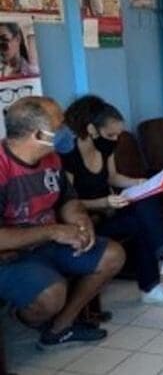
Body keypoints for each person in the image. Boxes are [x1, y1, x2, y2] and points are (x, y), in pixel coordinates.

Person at [0, 96, 125, 349]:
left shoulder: (52, 158)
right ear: (38, 134)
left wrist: (81, 222)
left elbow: (67, 200)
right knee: (51, 295)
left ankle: (60, 329)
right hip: (11, 255)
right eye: (59, 127)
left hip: (49, 242)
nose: (67, 132)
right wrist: (54, 231)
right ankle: (22, 315)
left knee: (112, 254)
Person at [61, 95, 163, 305]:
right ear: (91, 129)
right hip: (87, 222)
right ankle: (156, 280)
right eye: (111, 134)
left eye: (118, 134)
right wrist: (104, 202)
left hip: (109, 210)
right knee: (143, 222)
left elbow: (112, 177)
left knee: (146, 201)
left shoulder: (105, 147)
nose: (115, 140)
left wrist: (140, 183)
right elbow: (69, 203)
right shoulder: (68, 155)